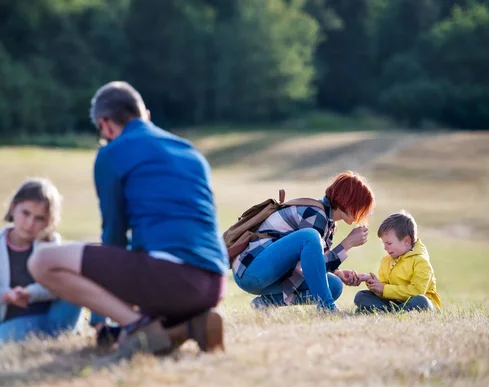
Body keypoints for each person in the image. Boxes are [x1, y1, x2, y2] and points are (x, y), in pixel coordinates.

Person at [27, 81, 229, 357]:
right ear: (144, 113)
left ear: (106, 125)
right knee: (153, 275)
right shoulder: (190, 151)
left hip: (170, 278)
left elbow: (114, 236)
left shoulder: (112, 153)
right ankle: (192, 324)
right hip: (213, 282)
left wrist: (104, 317)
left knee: (42, 261)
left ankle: (138, 327)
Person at [0, 178, 82, 345]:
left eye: (39, 218)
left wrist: (30, 293)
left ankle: (63, 335)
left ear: (49, 222)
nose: (30, 223)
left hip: (55, 317)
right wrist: (4, 295)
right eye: (25, 213)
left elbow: (61, 286)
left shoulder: (50, 243)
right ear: (13, 207)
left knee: (80, 273)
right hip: (13, 323)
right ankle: (38, 340)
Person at [232, 171, 375, 312]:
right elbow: (305, 268)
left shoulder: (328, 222)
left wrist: (339, 273)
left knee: (334, 285)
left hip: (269, 274)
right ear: (348, 202)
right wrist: (347, 244)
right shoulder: (315, 214)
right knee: (309, 236)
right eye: (361, 206)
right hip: (251, 270)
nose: (362, 214)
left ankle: (265, 303)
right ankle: (327, 307)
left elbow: (314, 265)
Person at [354, 211, 442, 312]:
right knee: (361, 296)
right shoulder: (387, 260)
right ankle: (392, 311)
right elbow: (384, 290)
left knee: (421, 301)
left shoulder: (421, 262)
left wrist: (384, 289)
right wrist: (372, 282)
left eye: (389, 243)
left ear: (406, 241)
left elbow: (416, 291)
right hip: (394, 302)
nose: (385, 248)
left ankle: (381, 310)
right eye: (383, 243)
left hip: (415, 302)